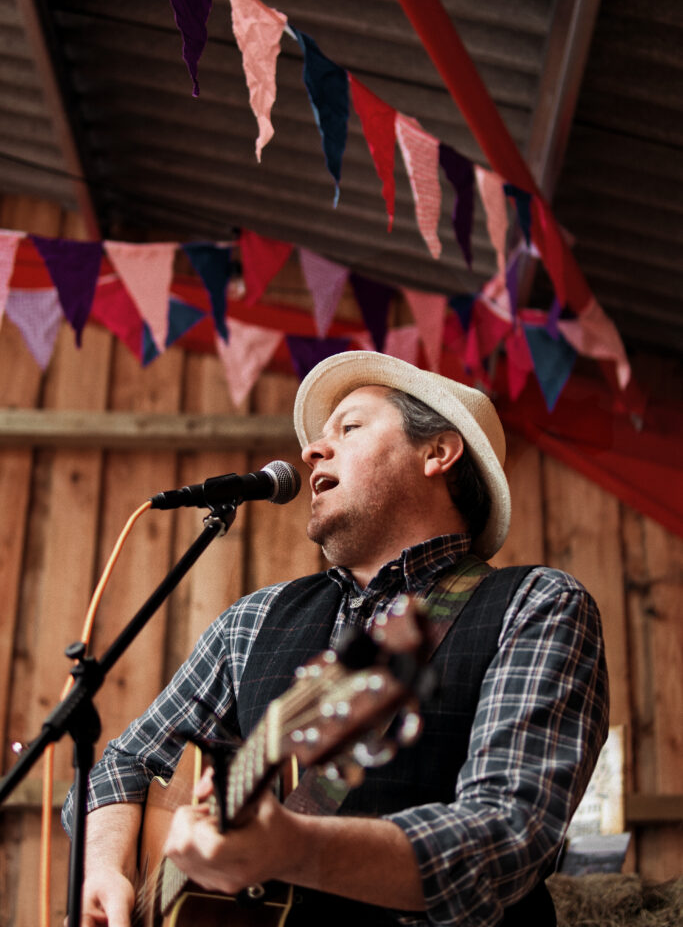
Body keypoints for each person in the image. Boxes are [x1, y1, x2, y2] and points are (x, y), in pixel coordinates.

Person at [62, 350, 609, 927]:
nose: (310, 451)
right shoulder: (254, 619)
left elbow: (507, 836)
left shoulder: (535, 604)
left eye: (349, 428)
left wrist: (294, 848)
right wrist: (106, 871)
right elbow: (124, 765)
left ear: (438, 453)